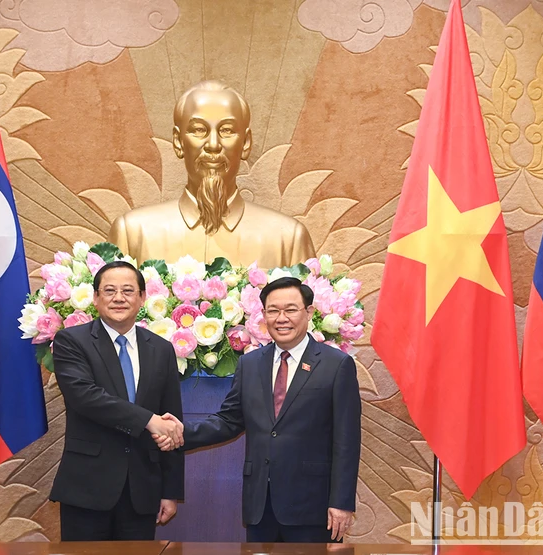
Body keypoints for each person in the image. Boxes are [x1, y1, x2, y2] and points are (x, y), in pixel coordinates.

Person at [156, 277, 361, 542]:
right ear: (263, 314)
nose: (281, 318)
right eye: (273, 310)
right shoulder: (250, 364)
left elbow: (347, 441)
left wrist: (342, 502)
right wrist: (180, 432)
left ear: (309, 312)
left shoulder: (336, 364)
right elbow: (229, 421)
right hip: (260, 505)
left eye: (291, 310)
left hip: (314, 506)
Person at [109, 80, 315, 268]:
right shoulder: (133, 234)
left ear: (245, 143)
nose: (213, 145)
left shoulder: (288, 240)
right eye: (199, 130)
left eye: (227, 130)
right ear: (178, 142)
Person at [50, 261, 185, 541]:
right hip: (87, 487)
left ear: (142, 298)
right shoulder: (71, 341)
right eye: (109, 291)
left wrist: (170, 491)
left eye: (128, 290)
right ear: (96, 298)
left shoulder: (161, 349)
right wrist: (148, 421)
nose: (119, 298)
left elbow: (171, 421)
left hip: (143, 490)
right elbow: (85, 397)